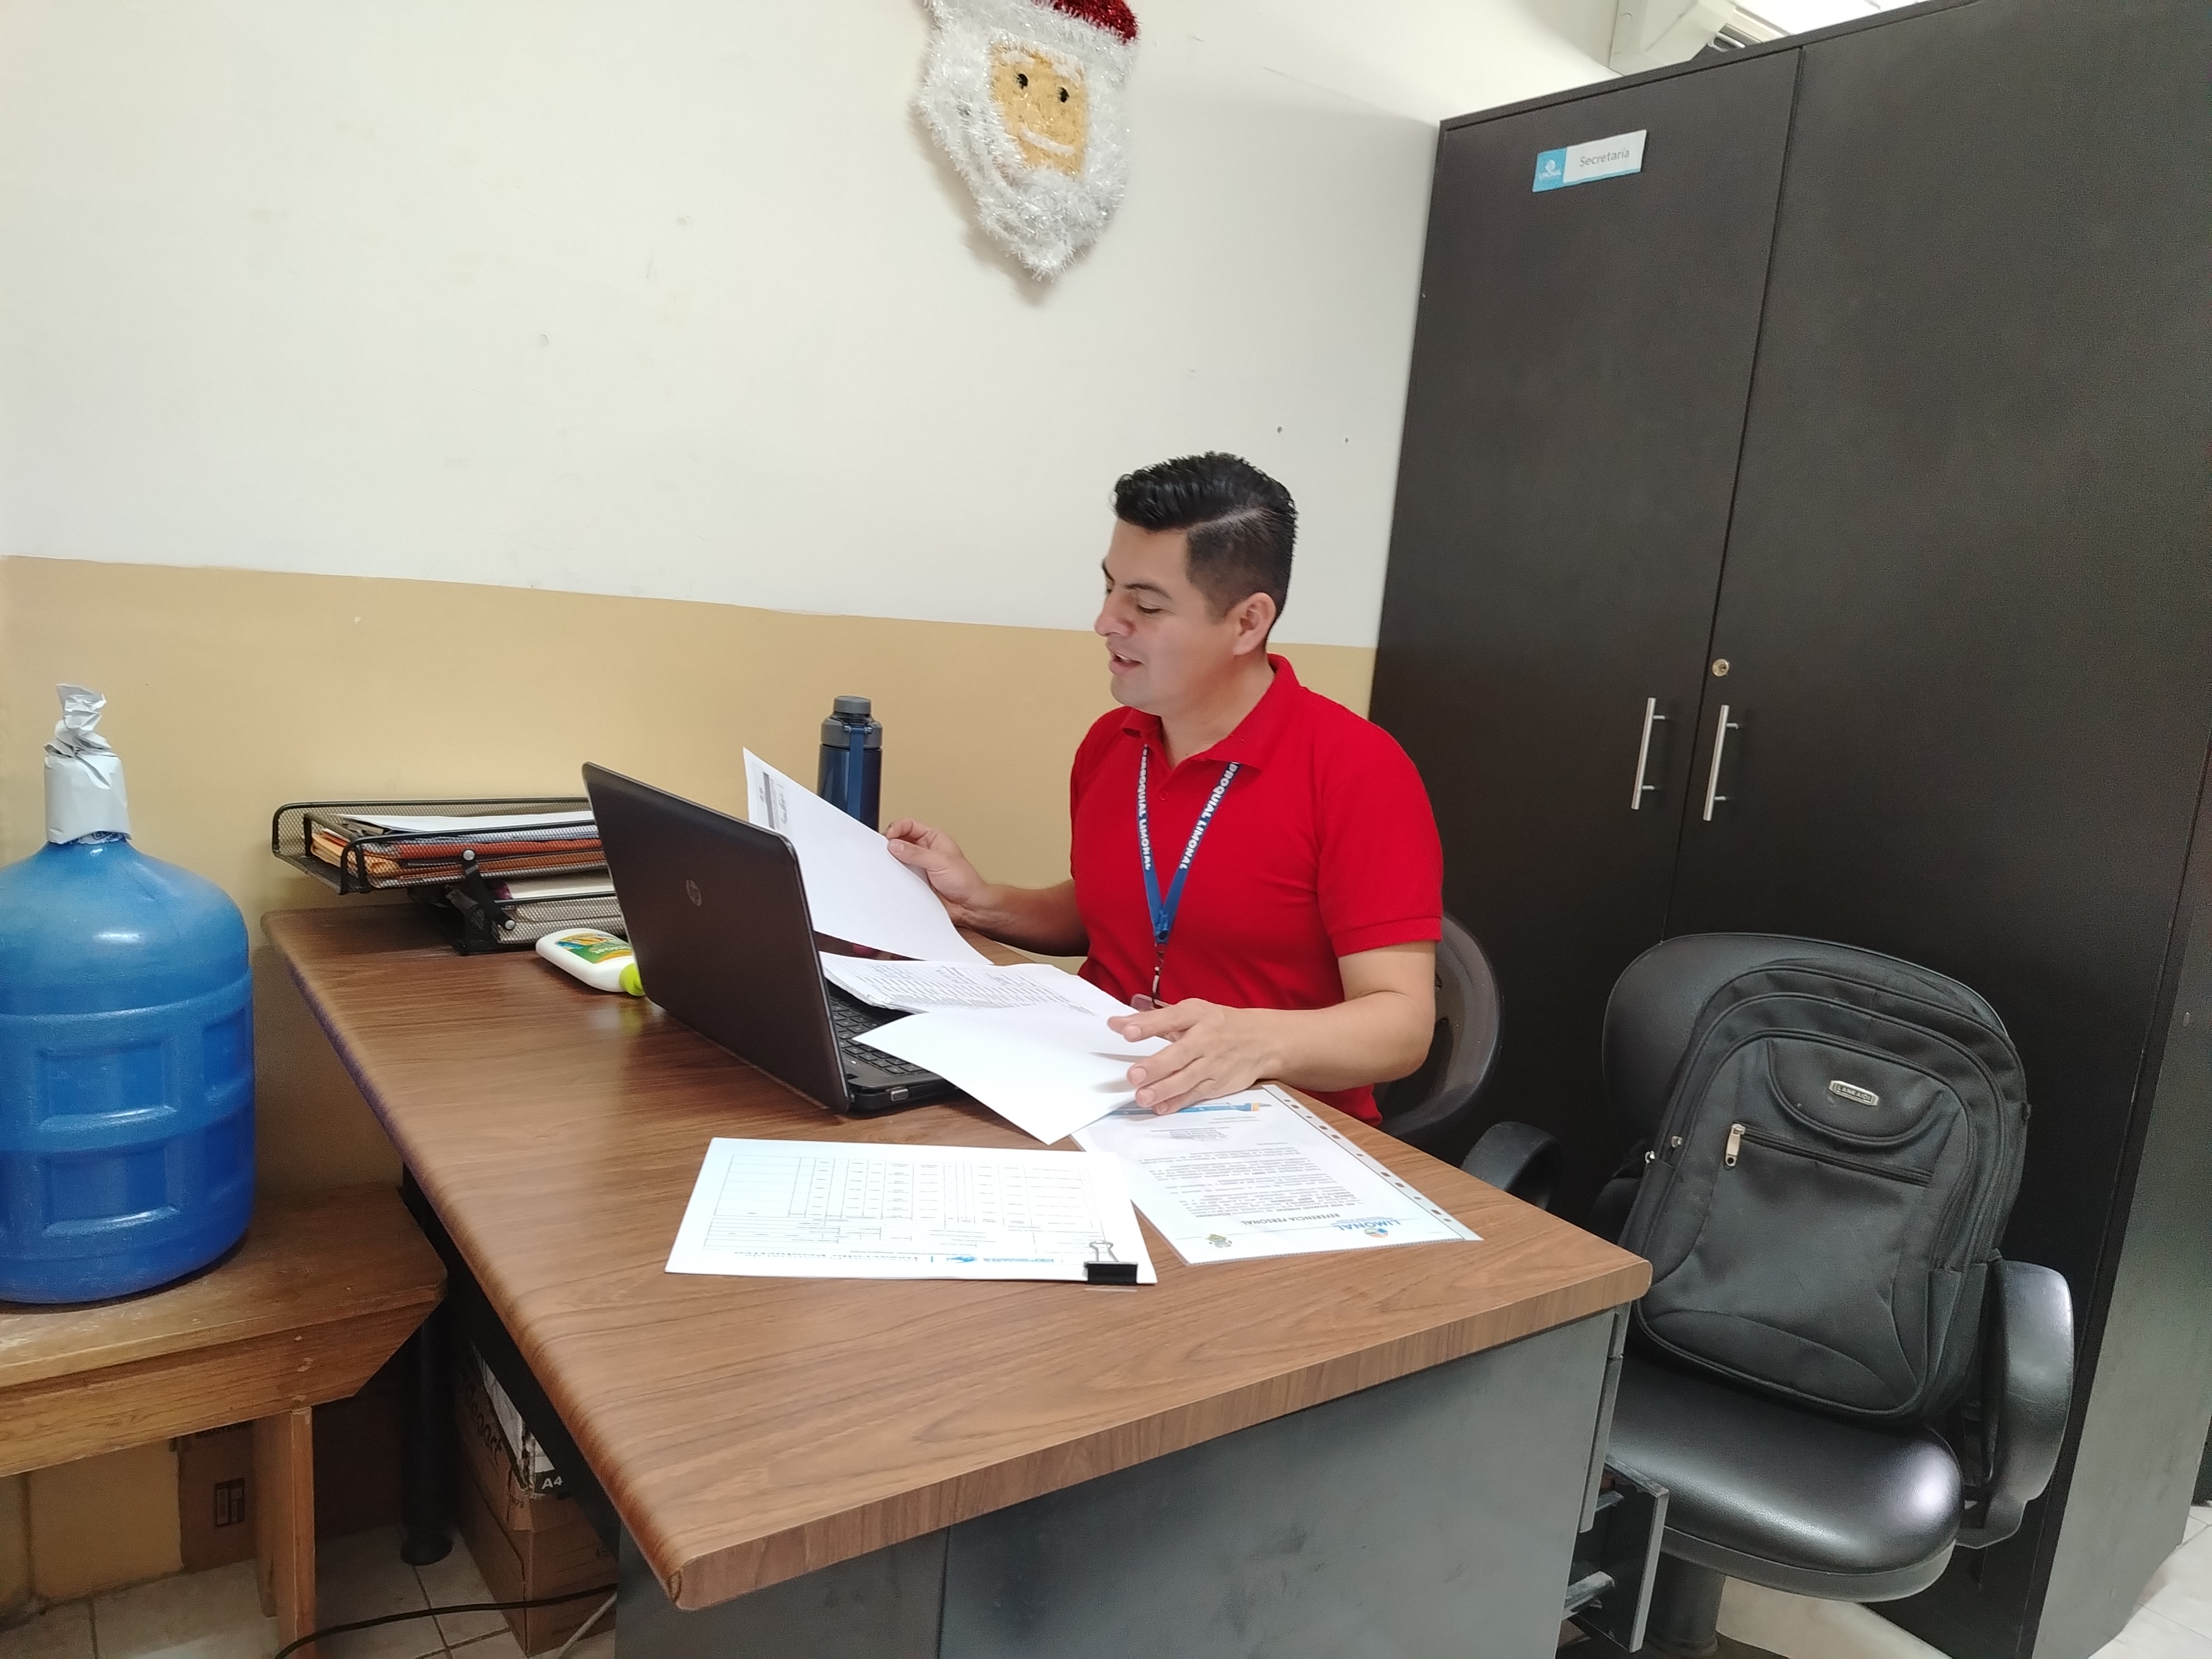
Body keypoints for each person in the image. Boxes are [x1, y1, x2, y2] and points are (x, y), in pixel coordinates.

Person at [886, 453, 1443, 1123]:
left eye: (1146, 605)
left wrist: (1257, 1040)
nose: (1106, 621)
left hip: (1270, 1123)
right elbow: (1117, 910)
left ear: (1247, 623)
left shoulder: (1357, 768)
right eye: (1109, 588)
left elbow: (1402, 1025)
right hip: (1094, 1092)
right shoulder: (1113, 741)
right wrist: (982, 903)